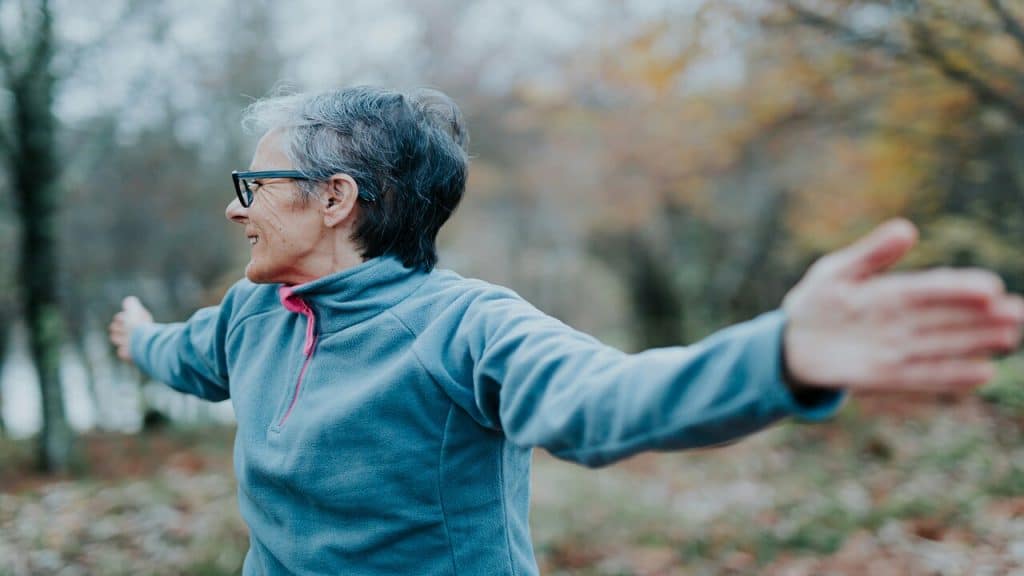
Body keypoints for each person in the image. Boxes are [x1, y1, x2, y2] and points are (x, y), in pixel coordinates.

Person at [109, 86, 1023, 575]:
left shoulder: (463, 325)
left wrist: (778, 356)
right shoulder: (253, 313)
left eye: (254, 187)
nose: (238, 212)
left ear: (336, 199)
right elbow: (186, 356)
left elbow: (602, 400)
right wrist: (137, 334)